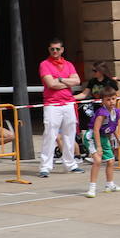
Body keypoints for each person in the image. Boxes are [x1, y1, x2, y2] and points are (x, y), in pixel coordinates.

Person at [38, 38, 82, 178]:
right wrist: (67, 82)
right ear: (49, 50)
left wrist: (61, 80)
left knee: (70, 134)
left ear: (62, 49)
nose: (55, 51)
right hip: (52, 104)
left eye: (57, 49)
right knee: (50, 134)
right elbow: (51, 84)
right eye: (52, 49)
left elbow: (77, 81)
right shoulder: (44, 64)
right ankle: (45, 166)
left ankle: (70, 164)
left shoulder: (68, 64)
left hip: (68, 103)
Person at [84, 87, 120, 198]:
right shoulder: (102, 113)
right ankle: (92, 188)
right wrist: (99, 147)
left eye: (113, 99)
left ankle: (110, 184)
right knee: (97, 160)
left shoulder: (116, 112)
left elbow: (114, 127)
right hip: (92, 137)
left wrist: (118, 138)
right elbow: (96, 129)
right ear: (102, 101)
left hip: (104, 137)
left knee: (111, 161)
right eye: (108, 99)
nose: (111, 101)